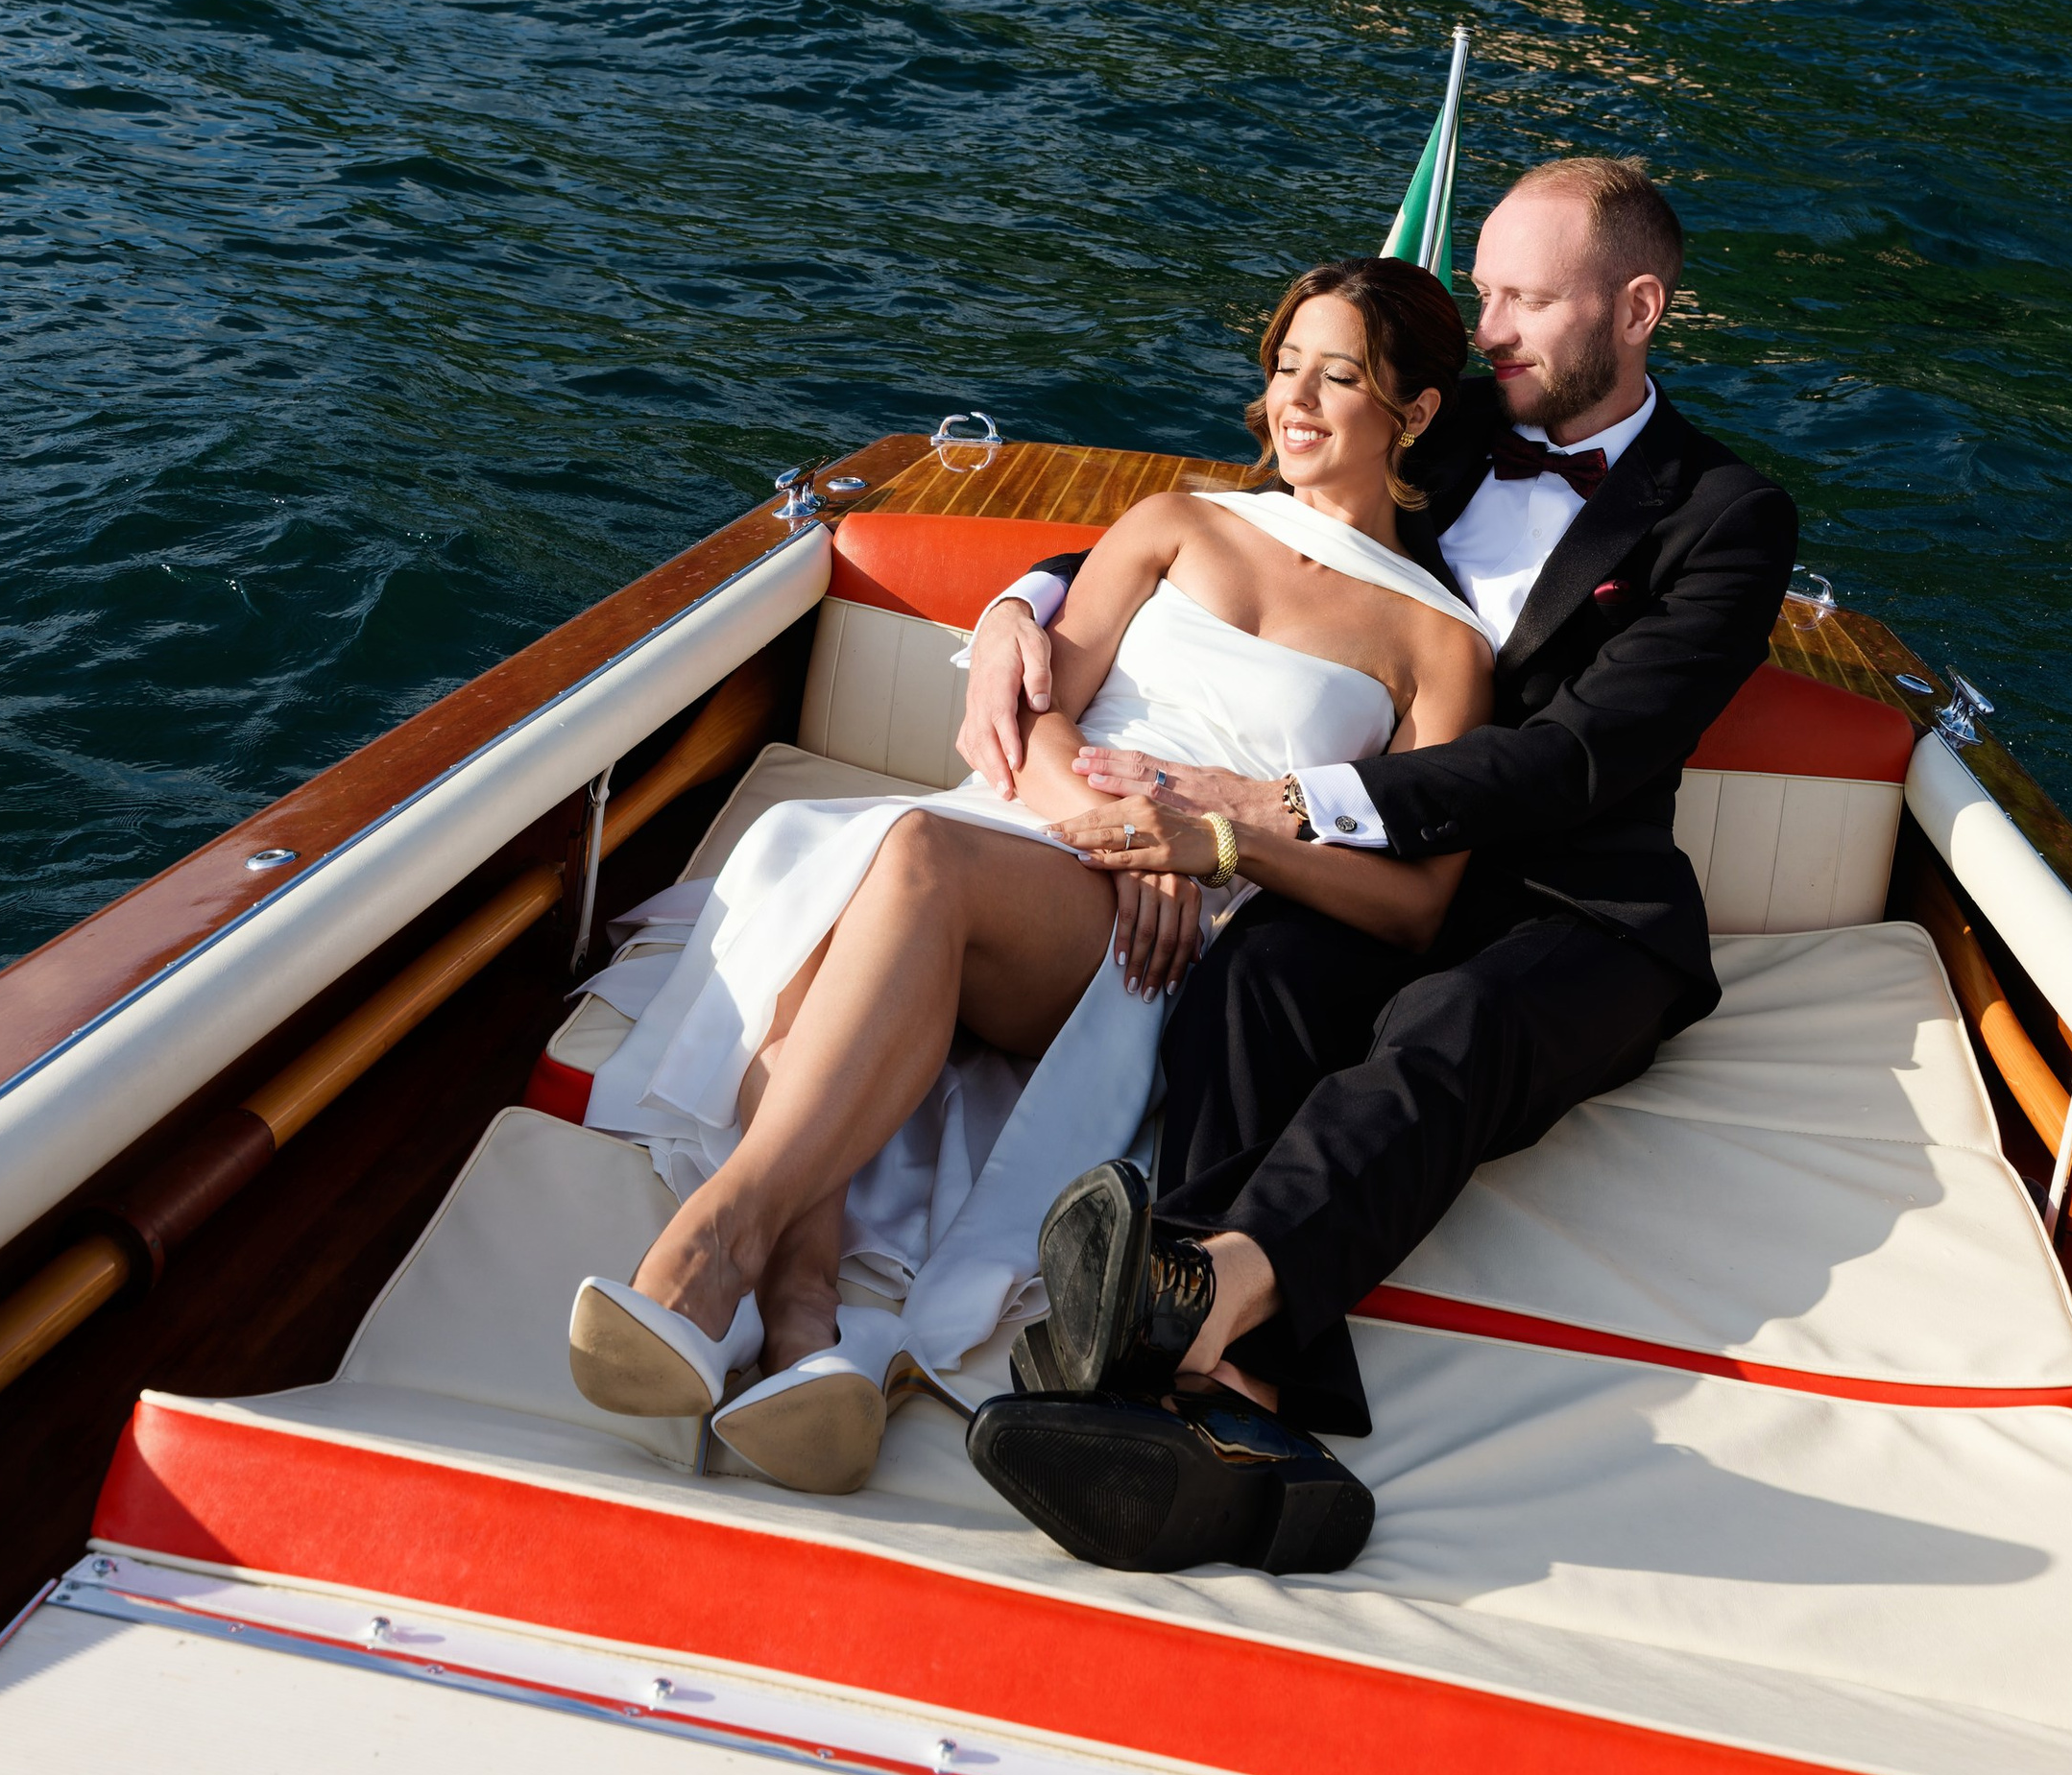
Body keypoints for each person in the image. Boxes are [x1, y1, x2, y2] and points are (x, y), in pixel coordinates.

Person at [958, 154, 1798, 1576]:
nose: (1492, 329)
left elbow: (1576, 760)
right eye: (1482, 294)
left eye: (1526, 299)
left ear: (1640, 305)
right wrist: (1018, 604)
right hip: (1367, 868)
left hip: (1572, 902)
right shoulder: (1444, 421)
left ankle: (1198, 1296)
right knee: (1253, 981)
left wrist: (1275, 803)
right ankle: (1244, 1402)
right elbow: (1246, 532)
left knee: (1444, 1030)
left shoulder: (1729, 517)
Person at [563, 257, 1493, 1528]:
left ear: (1419, 410)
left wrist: (1209, 844)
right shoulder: (1179, 519)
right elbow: (1039, 707)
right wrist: (1114, 822)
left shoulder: (1438, 644)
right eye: (1285, 367)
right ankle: (800, 1324)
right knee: (868, 860)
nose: (1300, 403)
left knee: (907, 861)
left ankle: (719, 1237)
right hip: (1049, 826)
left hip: (1158, 916)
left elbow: (1413, 903)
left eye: (1340, 377)